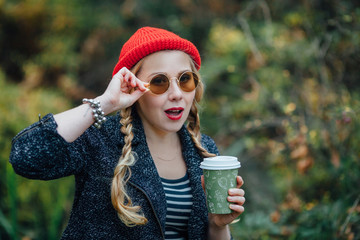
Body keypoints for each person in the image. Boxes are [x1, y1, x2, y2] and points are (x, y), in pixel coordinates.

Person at [10, 26, 245, 240]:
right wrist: (103, 104)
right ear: (134, 88)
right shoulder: (101, 141)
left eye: (185, 79)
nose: (176, 93)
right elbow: (26, 157)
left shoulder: (204, 150)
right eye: (159, 82)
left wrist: (218, 226)